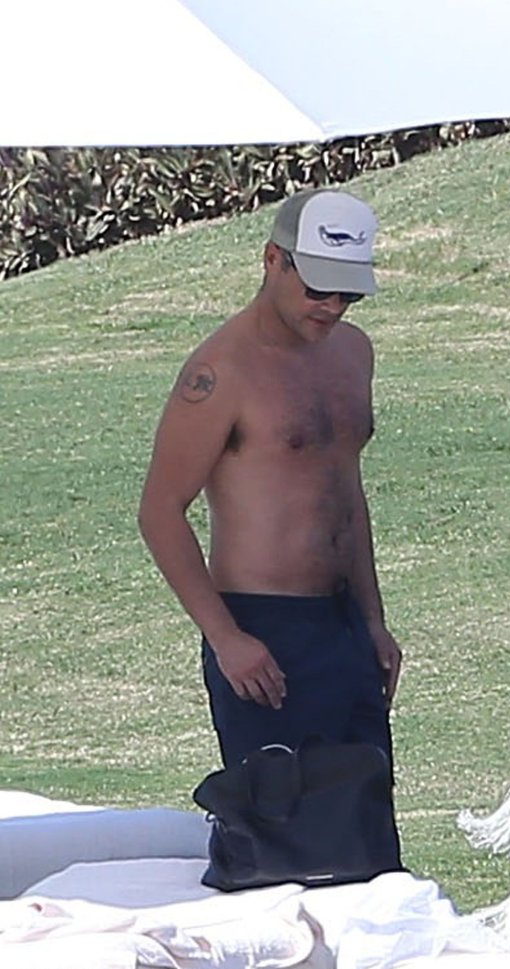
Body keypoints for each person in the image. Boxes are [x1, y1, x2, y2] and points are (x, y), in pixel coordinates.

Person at [139, 189, 401, 769]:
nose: (332, 306)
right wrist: (226, 638)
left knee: (364, 808)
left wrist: (372, 619)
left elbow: (345, 492)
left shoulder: (354, 353)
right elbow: (159, 510)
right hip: (264, 630)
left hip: (345, 624)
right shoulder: (220, 372)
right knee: (278, 818)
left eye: (349, 293)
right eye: (318, 288)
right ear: (273, 260)